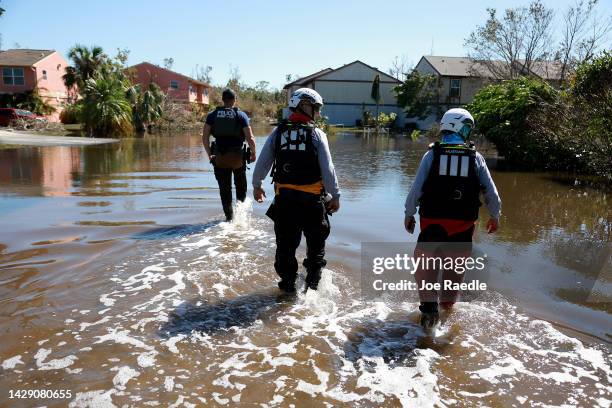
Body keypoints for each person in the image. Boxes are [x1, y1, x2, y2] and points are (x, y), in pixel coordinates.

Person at [404, 108, 501, 329]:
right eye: (467, 127)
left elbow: (415, 190)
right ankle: (446, 316)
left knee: (425, 270)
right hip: (462, 228)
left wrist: (409, 214)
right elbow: (491, 193)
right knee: (453, 278)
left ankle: (428, 313)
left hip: (432, 227)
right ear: (459, 127)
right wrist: (495, 215)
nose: (469, 132)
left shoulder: (431, 155)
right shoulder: (476, 158)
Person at [252, 88, 340, 293]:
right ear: (303, 105)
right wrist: (335, 195)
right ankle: (312, 290)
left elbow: (263, 163)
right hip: (312, 203)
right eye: (315, 108)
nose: (318, 113)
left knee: (285, 248)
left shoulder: (278, 132)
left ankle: (288, 287)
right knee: (316, 249)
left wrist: (257, 185)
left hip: (285, 202)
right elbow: (328, 170)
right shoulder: (318, 135)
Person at [202, 89, 257, 221]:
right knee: (241, 186)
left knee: (224, 190)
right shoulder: (241, 115)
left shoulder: (212, 115)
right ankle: (241, 217)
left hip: (220, 158)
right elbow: (250, 138)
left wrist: (210, 154)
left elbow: (204, 138)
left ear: (222, 100)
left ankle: (229, 218)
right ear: (234, 100)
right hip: (237, 157)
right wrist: (253, 153)